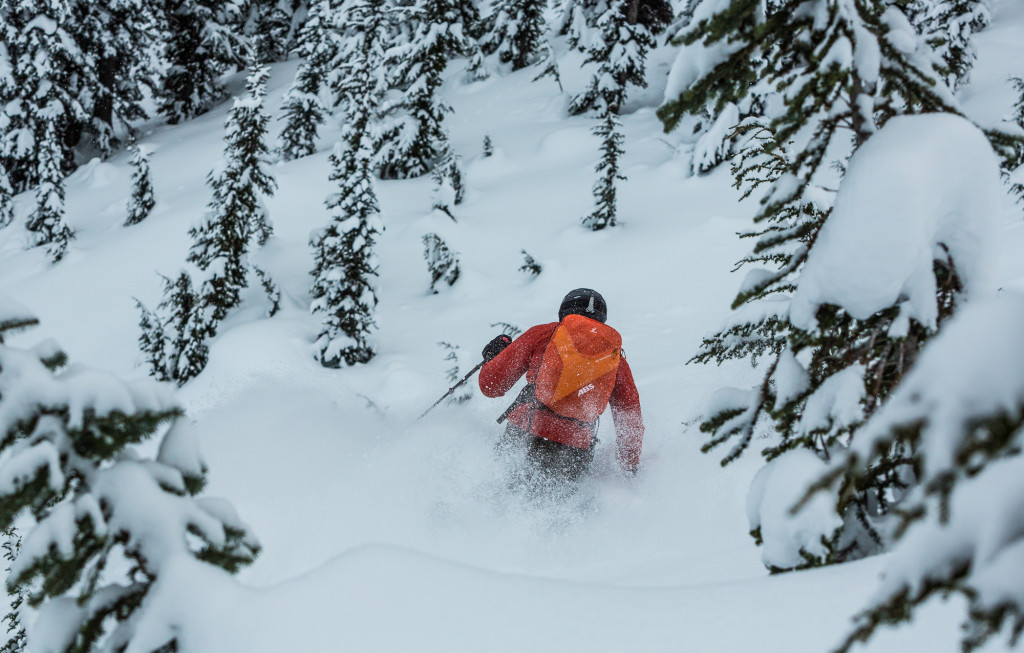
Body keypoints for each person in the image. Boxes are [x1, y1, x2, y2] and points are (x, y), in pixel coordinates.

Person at [478, 288, 644, 493]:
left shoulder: (543, 334)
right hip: (576, 446)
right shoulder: (615, 359)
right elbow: (630, 419)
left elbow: (491, 386)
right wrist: (630, 466)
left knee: (502, 493)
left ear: (563, 313)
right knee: (560, 510)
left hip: (526, 429)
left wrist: (493, 357)